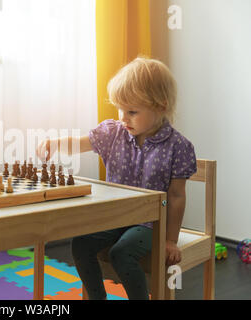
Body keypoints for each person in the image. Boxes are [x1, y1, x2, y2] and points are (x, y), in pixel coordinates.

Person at [36, 57, 197, 300]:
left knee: (121, 253)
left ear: (161, 106)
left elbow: (176, 197)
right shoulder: (113, 133)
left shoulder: (178, 147)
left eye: (132, 111)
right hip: (116, 216)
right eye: (119, 108)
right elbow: (80, 143)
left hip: (150, 223)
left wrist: (170, 240)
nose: (123, 117)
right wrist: (56, 143)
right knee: (80, 244)